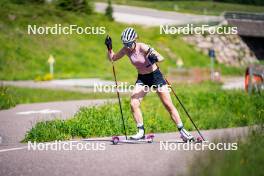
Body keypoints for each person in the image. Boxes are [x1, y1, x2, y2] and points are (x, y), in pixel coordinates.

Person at [105, 27, 194, 141]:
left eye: (129, 44)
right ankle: (141, 131)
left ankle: (182, 131)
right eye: (125, 44)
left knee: (168, 105)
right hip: (143, 79)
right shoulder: (126, 50)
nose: (127, 46)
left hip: (156, 77)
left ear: (134, 40)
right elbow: (113, 58)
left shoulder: (142, 47)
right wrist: (109, 48)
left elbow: (161, 58)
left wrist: (154, 57)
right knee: (133, 103)